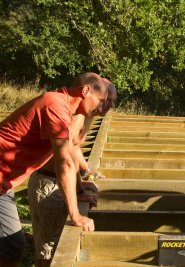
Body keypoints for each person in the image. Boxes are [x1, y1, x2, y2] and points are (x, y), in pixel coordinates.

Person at [0, 72, 108, 267]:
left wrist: (80, 190)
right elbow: (64, 162)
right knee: (12, 246)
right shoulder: (55, 105)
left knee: (12, 247)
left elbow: (70, 154)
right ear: (85, 91)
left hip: (4, 184)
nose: (102, 107)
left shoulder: (65, 110)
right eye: (101, 100)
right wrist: (75, 215)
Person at [27, 78, 117, 266]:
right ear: (88, 93)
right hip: (49, 183)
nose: (109, 105)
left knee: (54, 244)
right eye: (106, 100)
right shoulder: (76, 114)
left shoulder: (86, 114)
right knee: (48, 250)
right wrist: (78, 195)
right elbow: (65, 160)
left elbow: (73, 150)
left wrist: (82, 182)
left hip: (59, 182)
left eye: (112, 101)